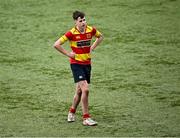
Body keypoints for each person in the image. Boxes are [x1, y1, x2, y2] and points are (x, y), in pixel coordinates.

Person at [53, 11, 103, 126]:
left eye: (84, 20)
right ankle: (86, 118)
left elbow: (100, 37)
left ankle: (71, 112)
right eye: (81, 21)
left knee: (80, 91)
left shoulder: (91, 30)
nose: (83, 23)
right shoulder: (71, 33)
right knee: (85, 89)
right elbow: (56, 44)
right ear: (75, 22)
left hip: (87, 64)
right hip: (76, 64)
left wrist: (92, 48)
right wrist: (68, 54)